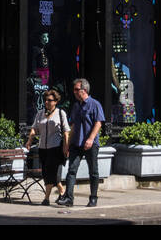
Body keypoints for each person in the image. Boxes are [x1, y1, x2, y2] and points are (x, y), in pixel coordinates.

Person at [57, 77, 105, 208]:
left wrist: (90, 139)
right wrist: (67, 144)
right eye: (74, 89)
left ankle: (93, 198)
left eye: (76, 89)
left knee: (93, 172)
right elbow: (72, 126)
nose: (74, 92)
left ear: (84, 90)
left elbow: (98, 123)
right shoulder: (76, 106)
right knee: (71, 171)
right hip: (76, 144)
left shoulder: (95, 104)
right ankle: (69, 198)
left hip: (90, 144)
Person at [27, 88, 69, 205]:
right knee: (46, 173)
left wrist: (66, 147)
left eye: (50, 100)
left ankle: (46, 199)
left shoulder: (61, 113)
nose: (47, 102)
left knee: (53, 173)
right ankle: (62, 191)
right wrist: (30, 140)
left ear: (56, 101)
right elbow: (34, 128)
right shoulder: (40, 114)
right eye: (46, 100)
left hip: (55, 147)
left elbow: (66, 132)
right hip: (42, 148)